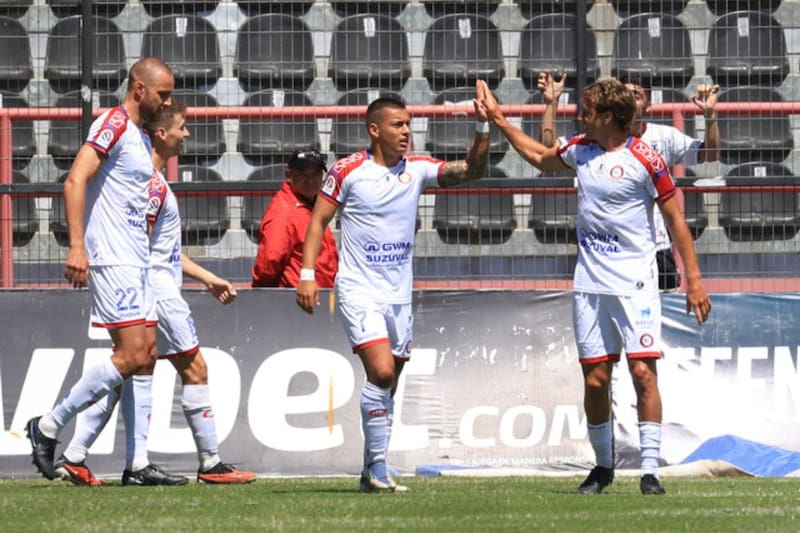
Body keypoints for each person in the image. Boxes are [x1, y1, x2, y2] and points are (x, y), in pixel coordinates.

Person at [478, 78, 712, 495]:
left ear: (608, 117)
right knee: (596, 381)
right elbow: (539, 157)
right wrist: (499, 119)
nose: (581, 115)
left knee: (643, 373)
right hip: (589, 284)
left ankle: (649, 471)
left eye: (588, 109)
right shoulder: (580, 150)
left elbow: (676, 221)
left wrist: (694, 280)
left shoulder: (646, 158)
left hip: (636, 283)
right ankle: (603, 468)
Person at [296, 85, 491, 493]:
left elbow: (471, 171)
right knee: (381, 371)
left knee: (391, 380)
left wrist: (483, 125)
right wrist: (308, 273)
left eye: (409, 125)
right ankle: (379, 465)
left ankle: (372, 469)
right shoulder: (347, 171)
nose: (406, 132)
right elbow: (318, 222)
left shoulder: (416, 168)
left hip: (399, 294)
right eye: (397, 125)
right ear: (374, 129)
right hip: (358, 289)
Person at [53, 101, 257, 486]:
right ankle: (210, 462)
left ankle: (77, 455)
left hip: (154, 280)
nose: (187, 133)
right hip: (155, 287)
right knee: (193, 367)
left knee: (129, 367)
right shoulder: (146, 183)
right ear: (161, 134)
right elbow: (141, 244)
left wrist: (206, 277)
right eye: (182, 127)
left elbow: (166, 249)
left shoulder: (153, 181)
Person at [26, 57, 174, 481]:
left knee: (147, 357)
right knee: (129, 355)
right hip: (112, 257)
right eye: (162, 93)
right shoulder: (112, 124)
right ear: (139, 88)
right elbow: (75, 180)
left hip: (137, 258)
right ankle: (49, 425)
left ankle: (139, 464)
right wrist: (77, 246)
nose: (167, 101)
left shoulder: (141, 138)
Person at [535, 71, 721, 290]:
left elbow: (710, 154)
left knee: (661, 317)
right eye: (626, 93)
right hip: (612, 253)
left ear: (648, 106)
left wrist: (710, 116)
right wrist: (551, 103)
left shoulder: (664, 137)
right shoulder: (594, 139)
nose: (631, 99)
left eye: (637, 94)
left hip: (654, 249)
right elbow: (548, 151)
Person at [251, 148, 338, 288]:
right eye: (304, 174)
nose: (310, 180)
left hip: (319, 297)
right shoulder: (284, 211)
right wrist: (265, 297)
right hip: (295, 300)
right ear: (289, 175)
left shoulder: (311, 205)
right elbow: (269, 261)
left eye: (315, 174)